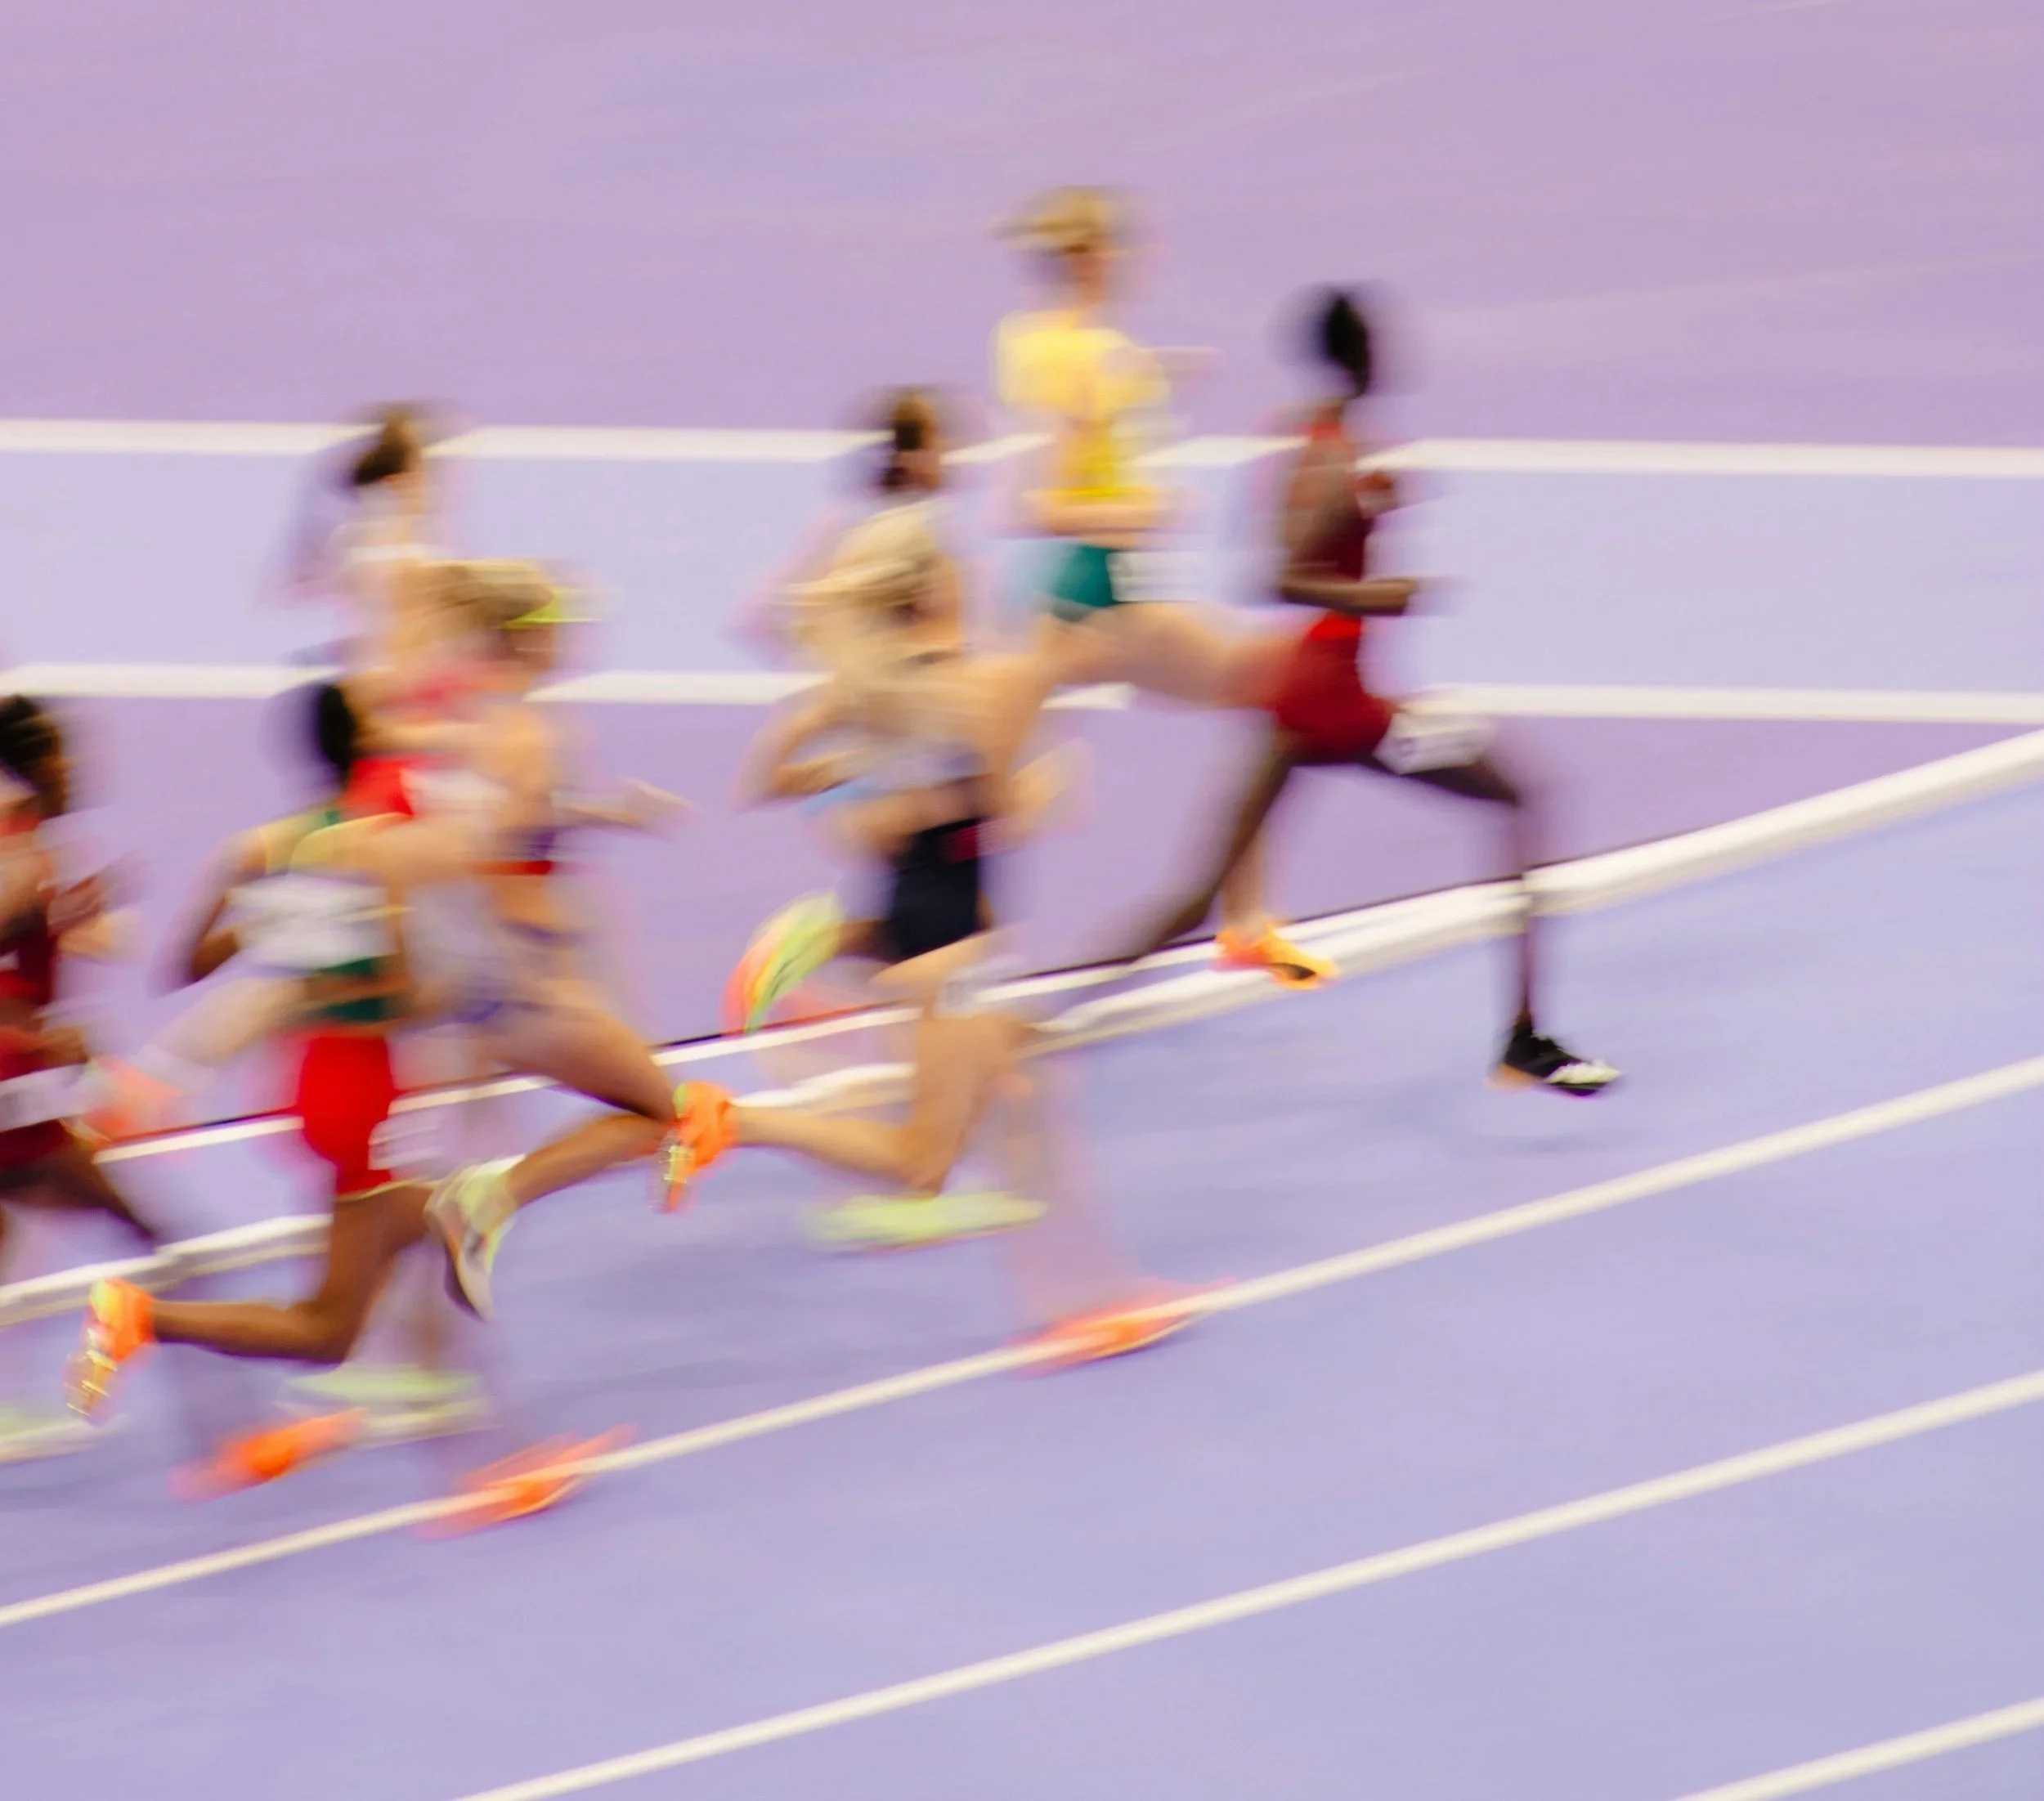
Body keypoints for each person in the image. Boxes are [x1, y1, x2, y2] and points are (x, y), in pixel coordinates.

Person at [1116, 289, 1620, 1096]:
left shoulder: (1313, 441)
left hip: (1306, 695)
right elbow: (1282, 576)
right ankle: (1524, 1039)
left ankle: (1048, 1022)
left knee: (1202, 894)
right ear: (1362, 355)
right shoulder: (1342, 461)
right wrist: (1381, 594)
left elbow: (1292, 557)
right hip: (1343, 711)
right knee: (1520, 798)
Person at [993, 188, 1327, 988]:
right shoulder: (1092, 361)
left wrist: (1152, 381)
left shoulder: (1048, 342)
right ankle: (1245, 924)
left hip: (1075, 596)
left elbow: (1081, 432)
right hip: (1100, 597)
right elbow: (1037, 503)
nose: (1137, 259)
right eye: (1120, 247)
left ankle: (1247, 924)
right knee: (1273, 696)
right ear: (1089, 258)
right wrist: (1146, 508)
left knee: (986, 791)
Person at [0, 697, 160, 1458]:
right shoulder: (22, 851)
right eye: (63, 755)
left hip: (21, 1085)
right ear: (35, 764)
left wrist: (70, 914)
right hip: (13, 1089)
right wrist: (40, 1035)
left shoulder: (32, 845)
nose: (77, 768)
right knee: (153, 1235)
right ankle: (233, 1429)